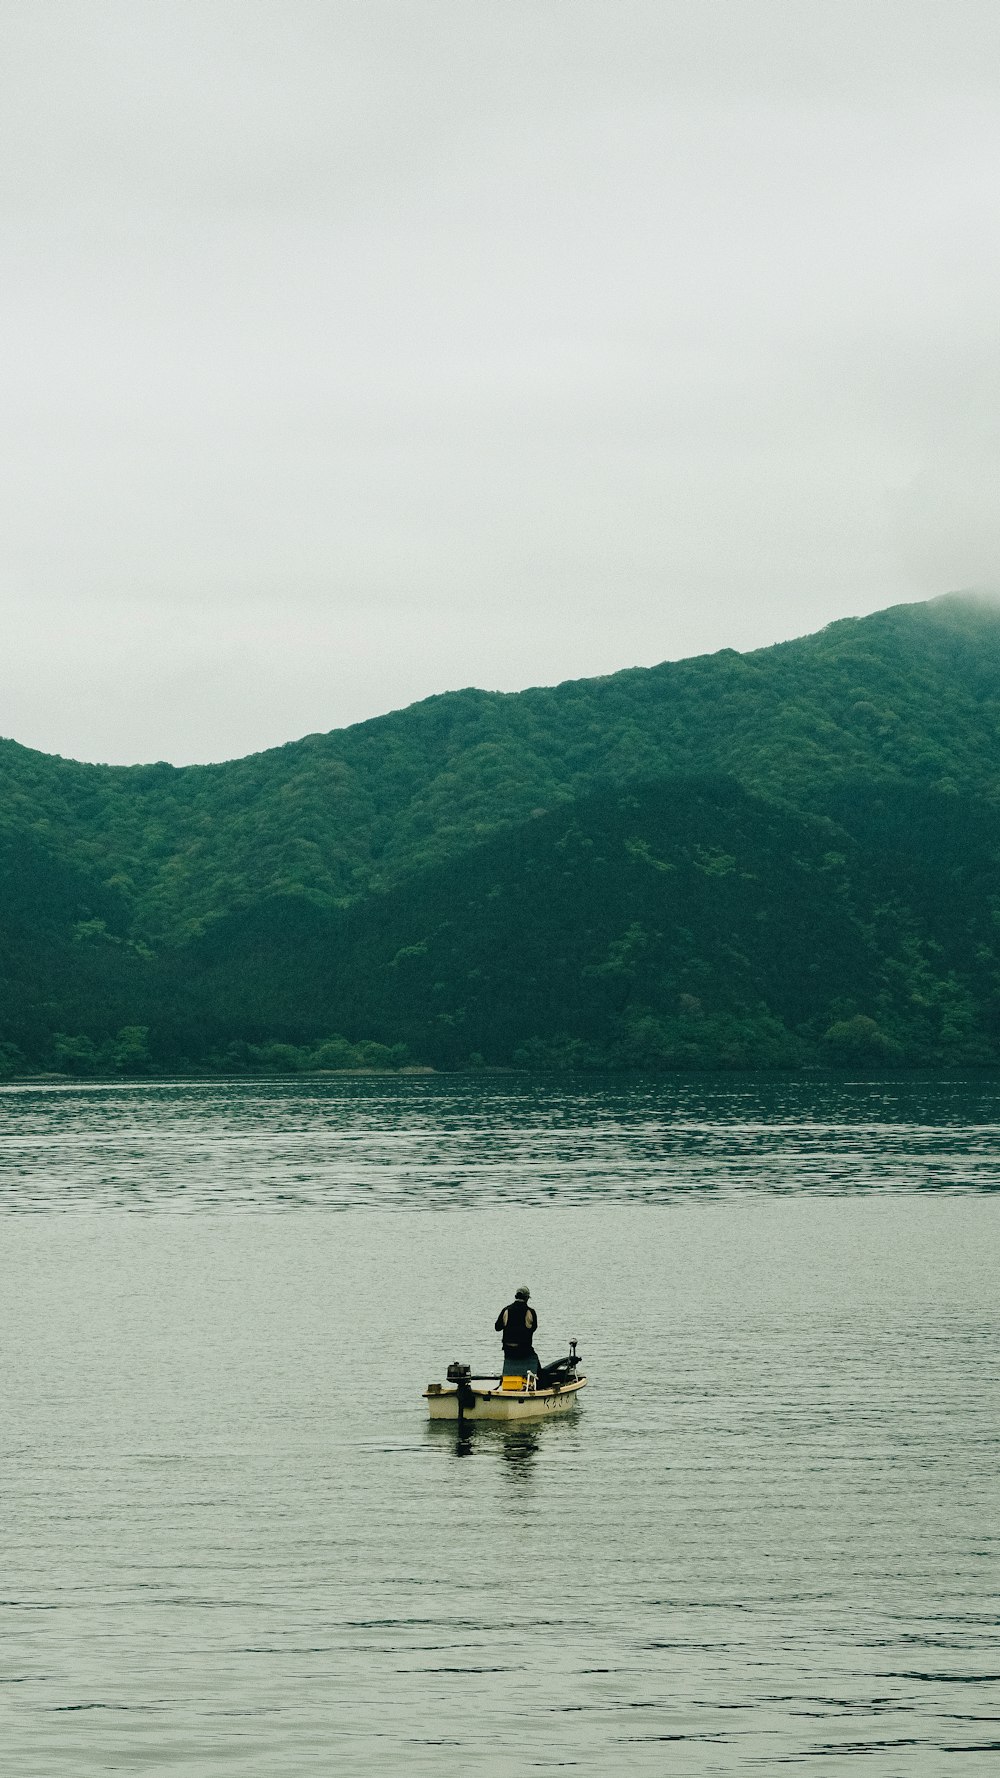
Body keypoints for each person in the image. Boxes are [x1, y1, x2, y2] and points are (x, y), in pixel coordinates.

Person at [495, 1285, 540, 1377]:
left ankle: (508, 1379)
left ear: (516, 1296)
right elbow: (533, 1328)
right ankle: (538, 1382)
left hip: (508, 1350)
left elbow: (497, 1327)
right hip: (524, 1349)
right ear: (527, 1298)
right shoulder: (530, 1312)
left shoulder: (506, 1310)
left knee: (511, 1364)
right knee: (534, 1361)